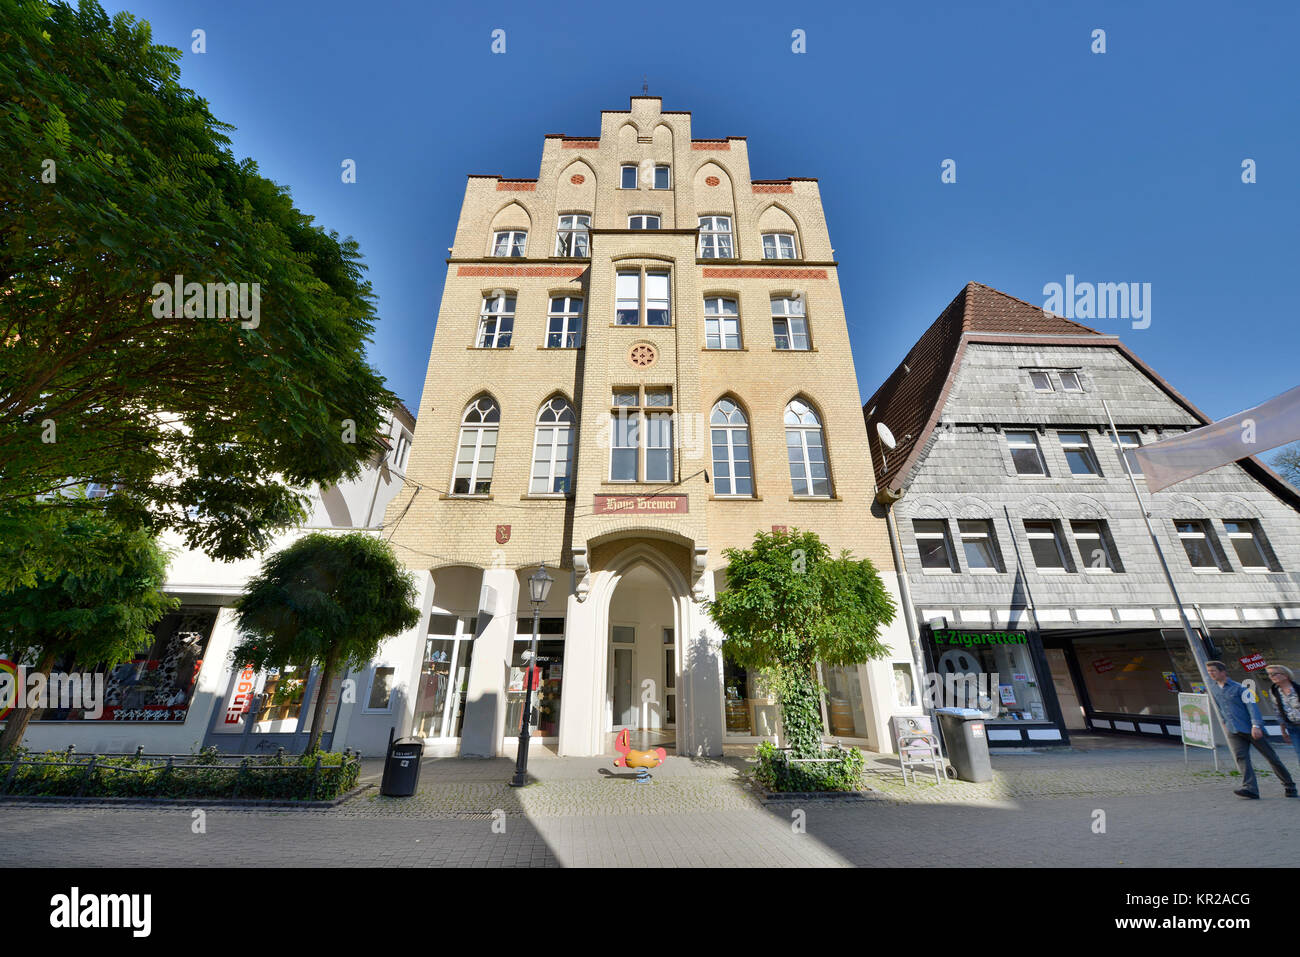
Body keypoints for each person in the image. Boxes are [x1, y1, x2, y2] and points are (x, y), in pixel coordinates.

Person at [1206, 660, 1296, 799]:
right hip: (1233, 730)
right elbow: (1219, 708)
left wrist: (1256, 726)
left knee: (1271, 757)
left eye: (1213, 671)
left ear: (1223, 672)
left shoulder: (1240, 688)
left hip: (1251, 729)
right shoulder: (1213, 689)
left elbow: (1252, 707)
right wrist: (1224, 723)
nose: (1211, 674)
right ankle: (1250, 789)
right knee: (1241, 758)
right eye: (1209, 671)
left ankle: (1289, 785)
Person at [1265, 664, 1300, 770]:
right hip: (1292, 727)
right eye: (1269, 674)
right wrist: (1283, 729)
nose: (1271, 676)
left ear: (1285, 675)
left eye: (1274, 674)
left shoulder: (1297, 689)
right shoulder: (1274, 691)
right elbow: (1278, 711)